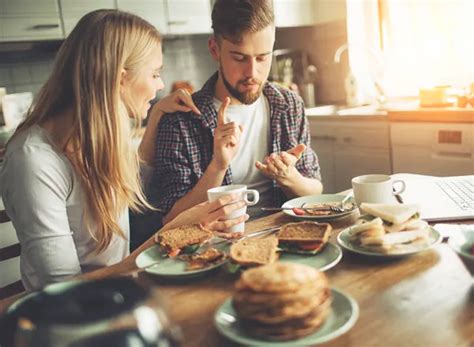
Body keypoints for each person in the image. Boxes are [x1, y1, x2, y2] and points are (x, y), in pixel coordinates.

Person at [0, 9, 246, 291]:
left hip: (118, 293)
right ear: (119, 79)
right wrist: (173, 234)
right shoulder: (34, 161)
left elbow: (129, 184)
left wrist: (154, 119)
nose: (161, 84)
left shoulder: (91, 137)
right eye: (155, 73)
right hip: (74, 318)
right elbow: (62, 290)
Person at [149, 0, 323, 225]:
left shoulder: (289, 105)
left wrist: (288, 177)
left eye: (262, 57)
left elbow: (316, 190)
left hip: (283, 237)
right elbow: (171, 220)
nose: (252, 72)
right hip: (214, 248)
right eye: (239, 58)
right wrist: (217, 166)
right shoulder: (180, 120)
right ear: (215, 49)